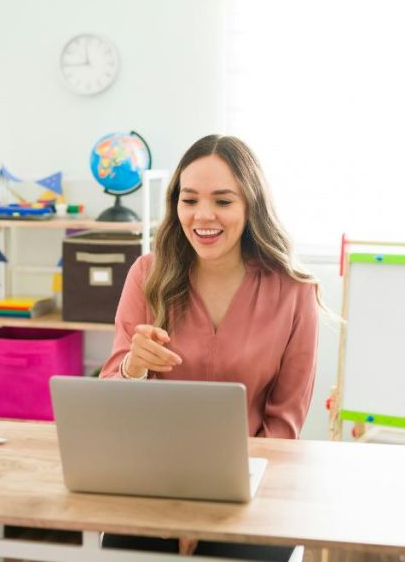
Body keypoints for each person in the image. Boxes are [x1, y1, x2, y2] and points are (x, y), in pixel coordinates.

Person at [99, 134, 322, 559]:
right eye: (189, 200)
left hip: (252, 487)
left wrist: (211, 511)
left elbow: (284, 424)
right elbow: (113, 400)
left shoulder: (294, 291)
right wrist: (132, 367)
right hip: (153, 485)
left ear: (250, 205)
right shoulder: (146, 275)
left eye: (223, 201)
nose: (203, 215)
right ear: (175, 205)